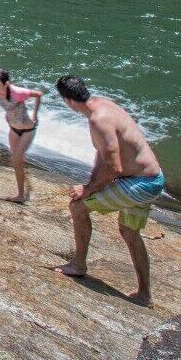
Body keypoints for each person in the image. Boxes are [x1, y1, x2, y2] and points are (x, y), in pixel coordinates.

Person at [56, 75, 165, 304]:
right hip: (153, 179)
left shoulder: (98, 120)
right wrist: (90, 183)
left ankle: (78, 264)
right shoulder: (102, 105)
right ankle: (145, 295)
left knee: (78, 207)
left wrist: (88, 190)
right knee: (129, 231)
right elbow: (103, 153)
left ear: (69, 101)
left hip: (139, 185)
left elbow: (114, 167)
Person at [0, 68, 43, 203]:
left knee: (16, 161)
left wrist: (35, 114)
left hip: (27, 130)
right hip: (13, 129)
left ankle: (21, 196)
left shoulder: (17, 92)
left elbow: (39, 94)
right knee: (17, 162)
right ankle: (22, 191)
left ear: (6, 83)